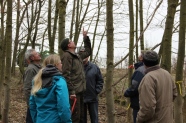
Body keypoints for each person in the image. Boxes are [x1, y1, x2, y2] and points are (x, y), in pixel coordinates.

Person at [136, 50, 177, 123]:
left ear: (144, 62)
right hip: (168, 119)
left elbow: (148, 108)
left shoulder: (148, 78)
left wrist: (139, 118)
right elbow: (174, 94)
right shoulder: (167, 74)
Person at [60, 28, 91, 123]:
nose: (73, 42)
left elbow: (88, 52)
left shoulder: (76, 56)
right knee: (75, 117)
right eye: (71, 41)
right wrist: (71, 91)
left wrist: (85, 38)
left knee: (81, 117)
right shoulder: (67, 56)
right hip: (74, 92)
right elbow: (66, 74)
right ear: (69, 45)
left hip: (80, 90)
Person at [29, 54, 72, 123]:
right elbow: (63, 107)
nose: (62, 65)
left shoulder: (36, 80)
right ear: (56, 64)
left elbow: (32, 105)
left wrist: (36, 120)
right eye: (60, 63)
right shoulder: (59, 81)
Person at [124, 51, 146, 123]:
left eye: (140, 55)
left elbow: (134, 87)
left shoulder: (140, 70)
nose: (138, 56)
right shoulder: (147, 68)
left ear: (142, 58)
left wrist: (127, 93)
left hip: (139, 103)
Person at [83, 56, 104, 123]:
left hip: (93, 97)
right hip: (81, 98)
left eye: (85, 55)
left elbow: (100, 80)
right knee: (82, 119)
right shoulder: (77, 67)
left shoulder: (94, 67)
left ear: (88, 56)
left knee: (94, 119)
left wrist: (97, 91)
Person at [23, 49, 41, 123]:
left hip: (39, 101)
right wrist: (30, 104)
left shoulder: (39, 67)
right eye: (36, 54)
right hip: (34, 103)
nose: (39, 54)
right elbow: (27, 88)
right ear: (32, 58)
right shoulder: (31, 69)